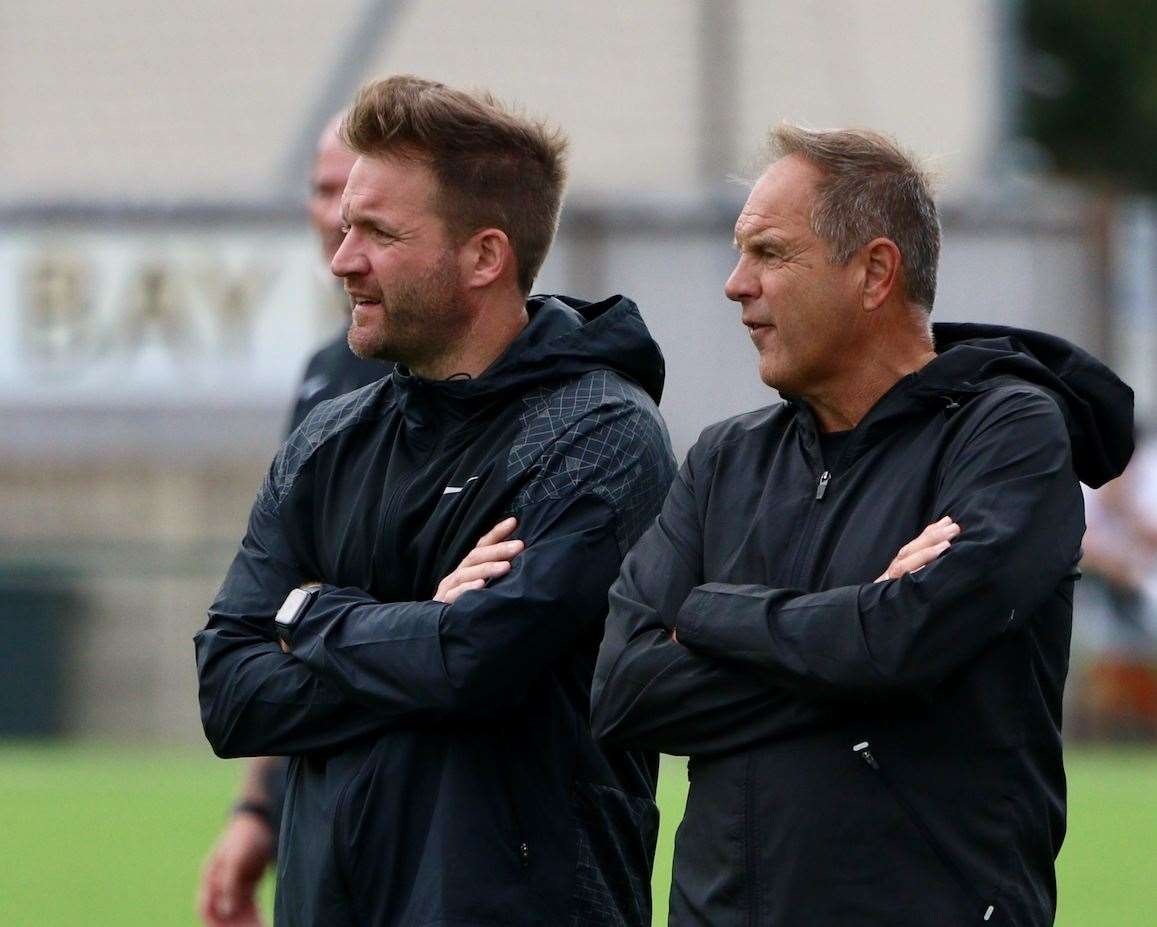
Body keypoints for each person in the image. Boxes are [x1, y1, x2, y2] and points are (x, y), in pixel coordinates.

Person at [590, 126, 1134, 925]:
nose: (736, 285)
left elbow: (901, 641)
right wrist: (857, 633)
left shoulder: (1007, 433)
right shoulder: (724, 459)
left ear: (874, 271)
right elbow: (621, 694)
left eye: (769, 253)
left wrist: (709, 611)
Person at [195, 75, 676, 927]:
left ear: (484, 256)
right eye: (346, 227)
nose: (343, 259)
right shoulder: (328, 438)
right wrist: (419, 622)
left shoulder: (599, 436)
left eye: (377, 232)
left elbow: (477, 664)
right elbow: (230, 691)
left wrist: (306, 616)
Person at [198, 119, 386, 927]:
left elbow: (472, 632)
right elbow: (279, 605)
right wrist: (258, 810)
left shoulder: (494, 379)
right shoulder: (325, 376)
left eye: (353, 193)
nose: (332, 215)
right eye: (318, 190)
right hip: (322, 789)